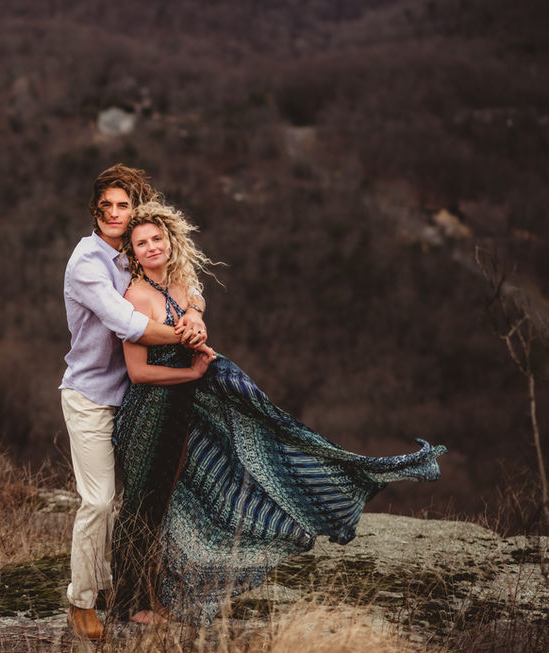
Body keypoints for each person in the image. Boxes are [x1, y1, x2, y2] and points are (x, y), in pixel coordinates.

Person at [111, 201, 447, 625]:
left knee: (169, 507)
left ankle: (154, 598)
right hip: (148, 416)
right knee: (142, 508)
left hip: (182, 412)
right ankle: (128, 604)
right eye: (141, 243)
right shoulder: (134, 297)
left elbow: (195, 301)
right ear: (134, 254)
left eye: (157, 238)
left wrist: (196, 318)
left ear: (170, 240)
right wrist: (193, 371)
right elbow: (139, 374)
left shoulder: (181, 287)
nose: (151, 247)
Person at [59, 164, 209, 640]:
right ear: (94, 211)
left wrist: (195, 313)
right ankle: (81, 602)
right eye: (106, 206)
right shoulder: (88, 263)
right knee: (99, 501)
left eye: (124, 205)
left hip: (131, 399)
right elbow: (130, 324)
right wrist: (189, 338)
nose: (115, 214)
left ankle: (113, 585)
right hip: (88, 396)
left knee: (141, 501)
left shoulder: (131, 252)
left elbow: (183, 281)